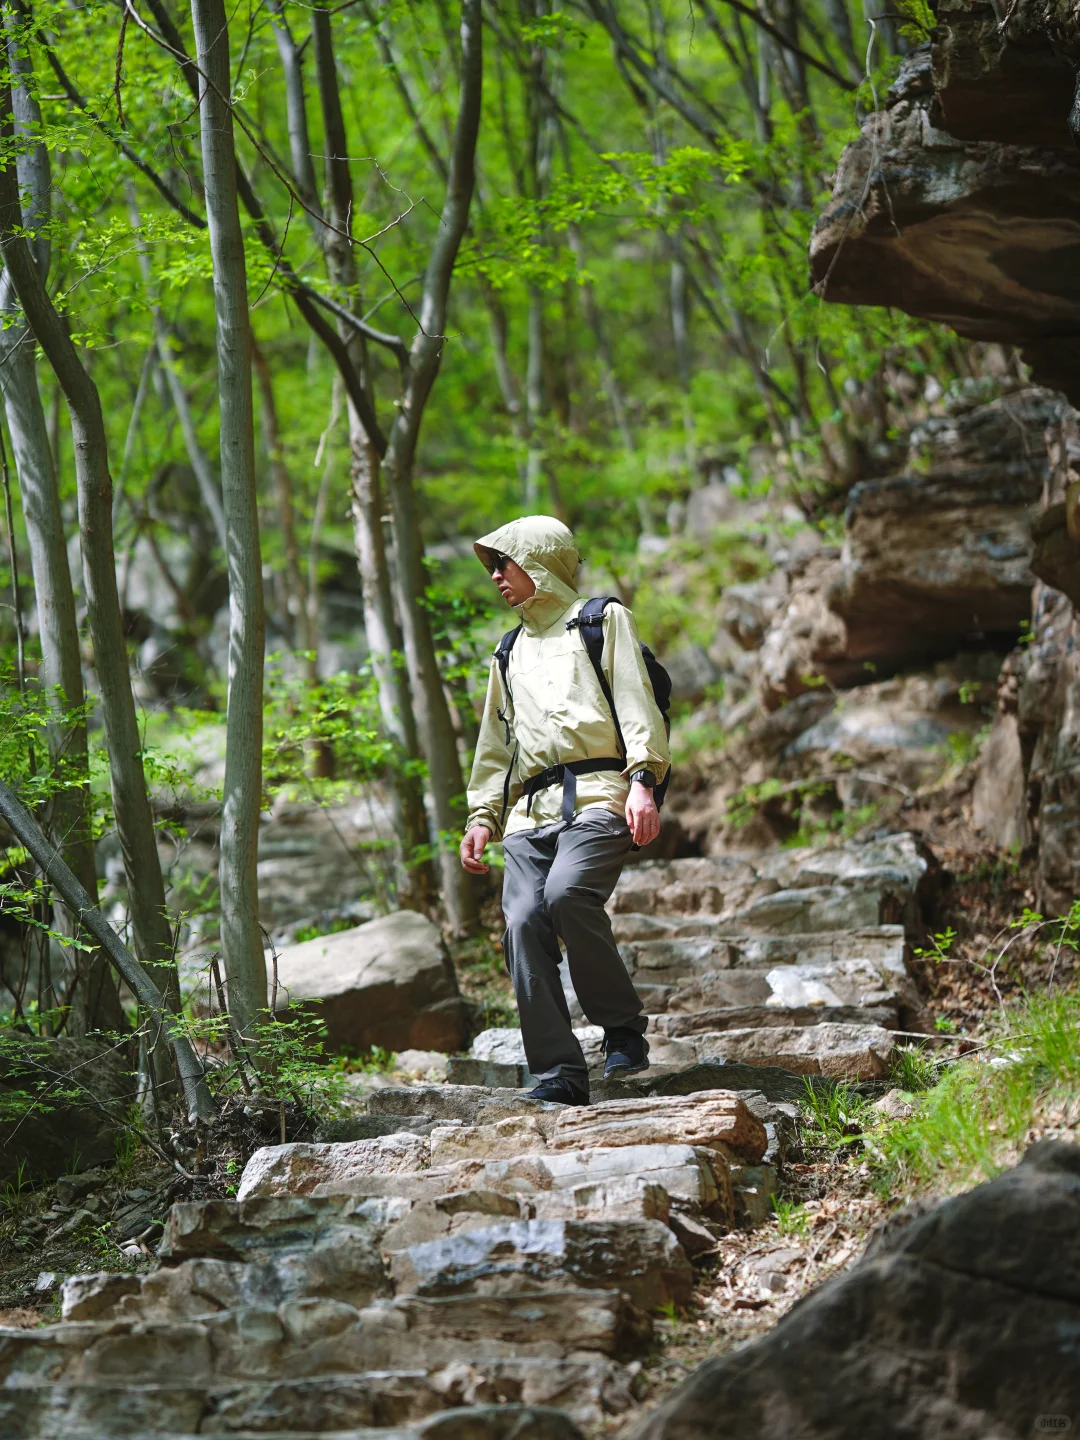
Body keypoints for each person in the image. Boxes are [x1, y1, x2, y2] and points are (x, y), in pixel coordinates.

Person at [459, 515, 671, 1107]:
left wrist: (643, 781)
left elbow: (636, 700)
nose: (496, 575)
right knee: (524, 922)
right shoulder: (507, 652)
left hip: (602, 795)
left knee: (567, 895)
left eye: (506, 561)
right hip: (529, 817)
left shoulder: (602, 622)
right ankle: (558, 1072)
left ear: (542, 561)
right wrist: (482, 818)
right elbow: (494, 748)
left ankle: (623, 1029)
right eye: (492, 566)